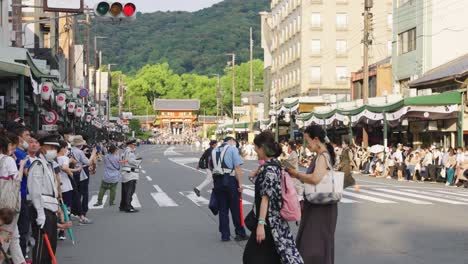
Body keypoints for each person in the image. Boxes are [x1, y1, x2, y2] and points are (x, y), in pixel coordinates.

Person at [243, 132, 303, 264]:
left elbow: (266, 198)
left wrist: (260, 224)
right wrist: (255, 174)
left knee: (251, 257)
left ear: (263, 148)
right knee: (274, 256)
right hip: (274, 221)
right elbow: (268, 189)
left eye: (256, 147)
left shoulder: (269, 170)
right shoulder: (274, 165)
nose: (255, 150)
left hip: (269, 222)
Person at [287, 125, 337, 264]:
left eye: (308, 141)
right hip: (319, 204)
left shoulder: (323, 155)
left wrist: (297, 174)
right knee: (316, 243)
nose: (307, 145)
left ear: (316, 139)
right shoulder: (322, 155)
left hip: (320, 207)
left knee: (312, 245)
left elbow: (316, 178)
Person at [27, 134, 60, 264]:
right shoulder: (38, 164)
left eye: (55, 148)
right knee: (42, 248)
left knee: (51, 246)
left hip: (50, 209)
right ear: (43, 148)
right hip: (42, 209)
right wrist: (40, 213)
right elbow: (35, 192)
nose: (53, 150)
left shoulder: (49, 165)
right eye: (50, 147)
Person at [211, 136, 248, 242]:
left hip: (218, 181)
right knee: (235, 208)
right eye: (235, 142)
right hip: (230, 180)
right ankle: (240, 233)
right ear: (231, 141)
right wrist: (240, 184)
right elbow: (237, 168)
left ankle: (225, 235)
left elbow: (211, 167)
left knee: (223, 209)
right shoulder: (232, 149)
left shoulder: (214, 150)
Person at [0, 132, 27, 264]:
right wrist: (21, 165)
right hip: (8, 205)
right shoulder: (8, 160)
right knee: (6, 238)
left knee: (14, 237)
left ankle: (20, 261)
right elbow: (17, 180)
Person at [70, 135, 96, 224]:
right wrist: (92, 155)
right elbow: (88, 162)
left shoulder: (70, 150)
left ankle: (74, 211)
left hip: (71, 173)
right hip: (80, 173)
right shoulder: (79, 152)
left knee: (75, 193)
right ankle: (83, 211)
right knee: (84, 193)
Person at [120, 139, 142, 213]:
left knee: (125, 191)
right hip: (130, 173)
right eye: (134, 144)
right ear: (130, 144)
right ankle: (128, 207)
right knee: (130, 191)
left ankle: (123, 206)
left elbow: (124, 160)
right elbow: (131, 161)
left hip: (125, 173)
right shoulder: (130, 151)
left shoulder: (125, 151)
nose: (134, 146)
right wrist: (139, 161)